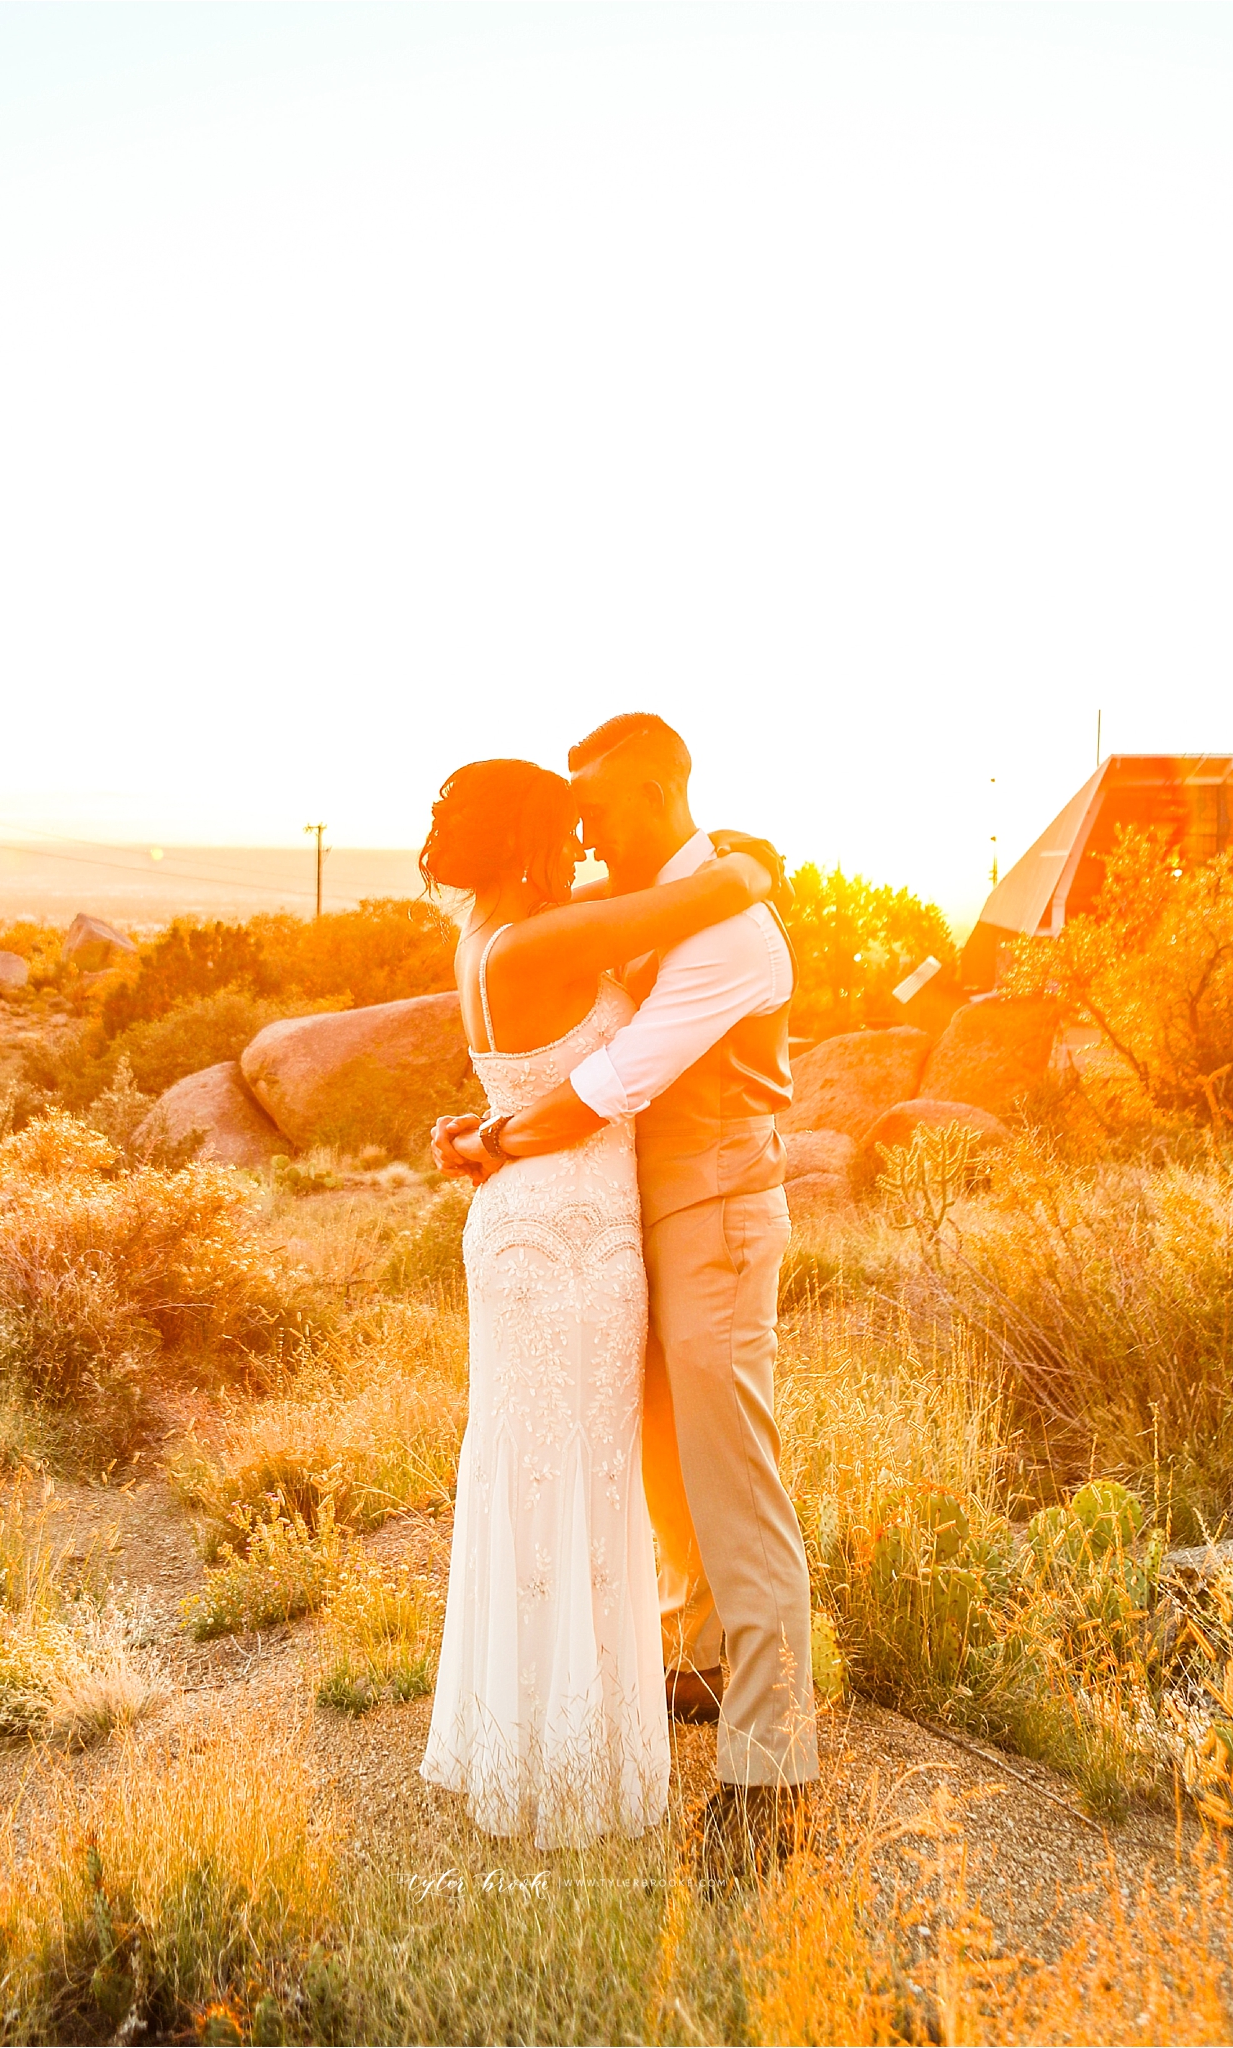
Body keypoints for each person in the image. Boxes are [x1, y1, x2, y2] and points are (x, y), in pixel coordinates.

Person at [436, 715, 818, 1883]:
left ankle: (770, 1766)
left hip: (701, 1222)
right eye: (570, 822)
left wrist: (490, 1133)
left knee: (730, 1479)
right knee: (653, 1464)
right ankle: (699, 1658)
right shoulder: (635, 901)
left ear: (657, 786)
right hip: (605, 1234)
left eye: (598, 811)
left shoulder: (730, 931)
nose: (588, 839)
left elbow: (612, 1079)